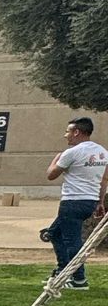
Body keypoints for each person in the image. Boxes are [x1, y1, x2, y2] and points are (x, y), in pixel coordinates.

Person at [42, 115, 108, 291]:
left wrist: (56, 159)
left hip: (72, 202)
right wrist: (100, 202)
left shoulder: (71, 152)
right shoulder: (102, 152)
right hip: (89, 201)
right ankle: (62, 272)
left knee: (72, 241)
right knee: (54, 233)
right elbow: (104, 179)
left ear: (77, 132)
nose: (66, 135)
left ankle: (79, 279)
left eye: (68, 131)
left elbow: (51, 175)